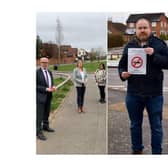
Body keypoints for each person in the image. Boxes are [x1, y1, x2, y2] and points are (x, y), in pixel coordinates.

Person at [118, 17, 168, 154]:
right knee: (135, 126)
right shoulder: (129, 46)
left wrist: (154, 54)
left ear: (150, 29)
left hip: (154, 94)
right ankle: (137, 151)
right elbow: (121, 65)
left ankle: (157, 153)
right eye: (140, 28)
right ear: (136, 30)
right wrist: (123, 74)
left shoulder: (159, 44)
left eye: (145, 28)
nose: (142, 30)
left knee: (156, 127)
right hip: (134, 94)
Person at [36, 57, 56, 140]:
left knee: (47, 112)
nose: (45, 64)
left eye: (46, 62)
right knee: (39, 115)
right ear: (40, 63)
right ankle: (38, 132)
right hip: (40, 96)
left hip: (49, 96)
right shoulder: (37, 73)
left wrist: (53, 86)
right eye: (43, 62)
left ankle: (45, 126)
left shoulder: (50, 72)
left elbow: (51, 82)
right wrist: (45, 89)